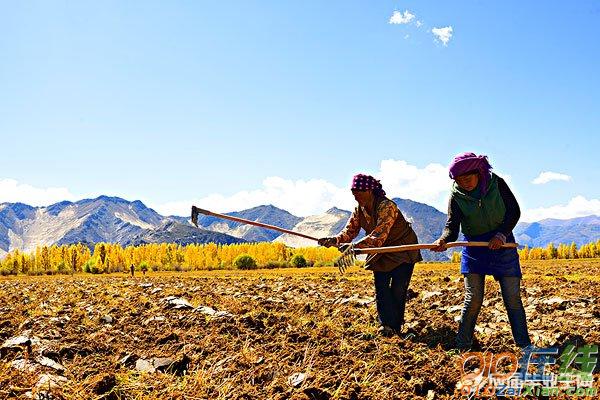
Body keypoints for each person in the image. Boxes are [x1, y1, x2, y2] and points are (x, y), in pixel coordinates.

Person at [432, 152, 531, 350]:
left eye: (468, 179)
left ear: (479, 173)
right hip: (474, 247)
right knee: (473, 297)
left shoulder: (496, 184)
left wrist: (502, 234)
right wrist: (443, 239)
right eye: (459, 181)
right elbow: (452, 225)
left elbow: (514, 211)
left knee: (512, 297)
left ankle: (524, 344)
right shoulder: (456, 195)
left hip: (502, 244)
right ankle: (463, 345)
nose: (464, 184)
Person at [319, 174, 422, 337]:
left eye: (359, 191)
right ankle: (385, 326)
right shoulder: (359, 209)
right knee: (381, 289)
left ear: (370, 191)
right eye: (353, 192)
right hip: (380, 252)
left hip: (402, 250)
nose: (356, 195)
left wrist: (355, 247)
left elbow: (378, 235)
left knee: (398, 290)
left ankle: (395, 327)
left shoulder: (387, 206)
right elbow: (350, 231)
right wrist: (335, 240)